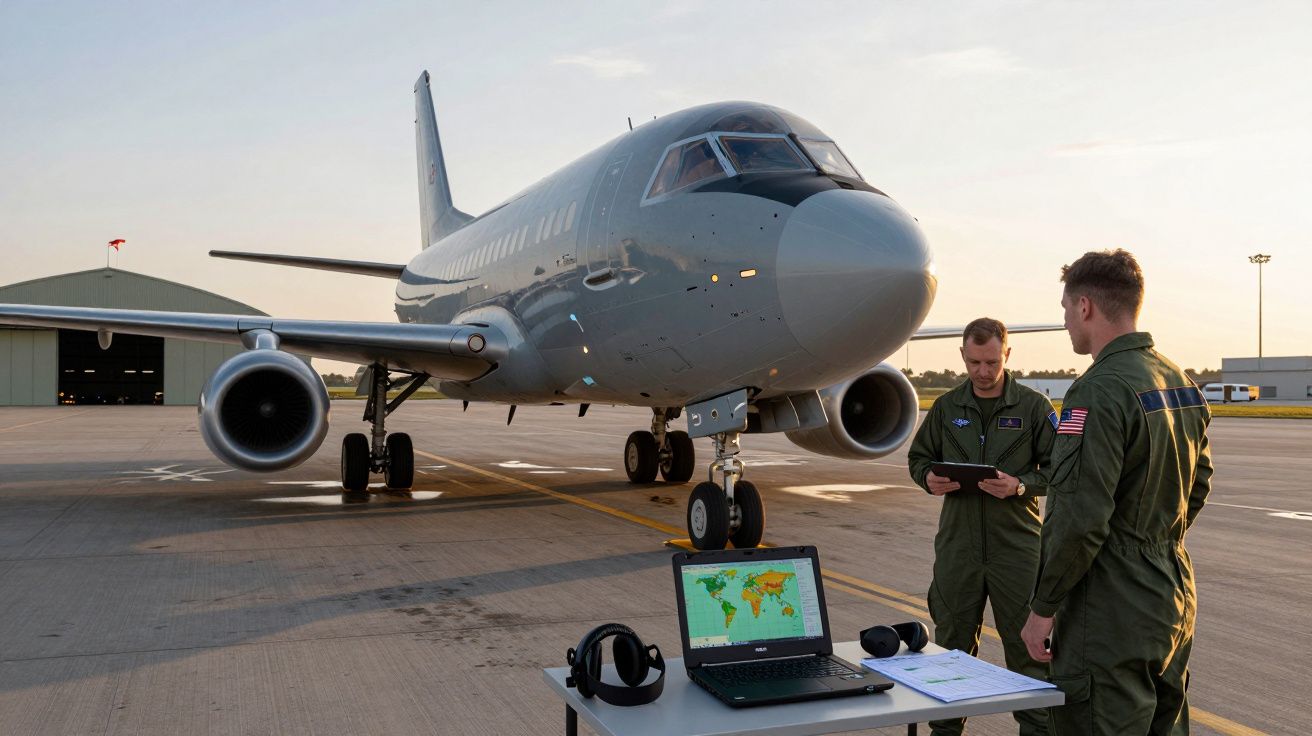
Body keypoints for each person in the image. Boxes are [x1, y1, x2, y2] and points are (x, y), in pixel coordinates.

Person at [1021, 249, 1213, 735]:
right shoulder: (1181, 382)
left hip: (1109, 608)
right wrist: (1151, 540)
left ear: (1085, 306)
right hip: (1172, 593)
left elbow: (1080, 519)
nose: (1066, 322)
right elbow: (1198, 483)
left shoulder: (1097, 390)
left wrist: (1043, 609)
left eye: (1066, 309)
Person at [907, 318, 1056, 736]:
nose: (983, 372)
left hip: (1018, 549)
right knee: (951, 650)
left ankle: (1039, 729)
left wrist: (1021, 484)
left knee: (1028, 649)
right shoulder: (947, 407)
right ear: (962, 357)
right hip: (958, 547)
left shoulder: (1033, 407)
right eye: (974, 362)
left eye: (991, 362)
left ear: (1007, 354)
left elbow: (1061, 471)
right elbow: (919, 458)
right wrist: (928, 479)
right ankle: (946, 731)